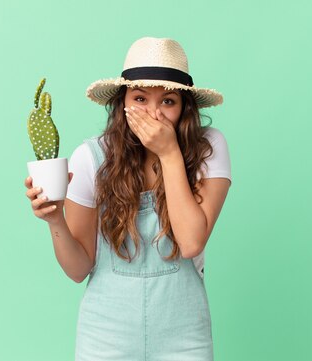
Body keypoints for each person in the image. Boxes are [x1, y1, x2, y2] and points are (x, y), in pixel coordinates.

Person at [24, 37, 231, 360]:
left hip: (184, 334)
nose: (153, 114)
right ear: (123, 102)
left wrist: (169, 153)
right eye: (140, 98)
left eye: (168, 101)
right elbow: (79, 269)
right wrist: (55, 219)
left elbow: (191, 242)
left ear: (184, 107)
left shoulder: (209, 148)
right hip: (106, 336)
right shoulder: (91, 157)